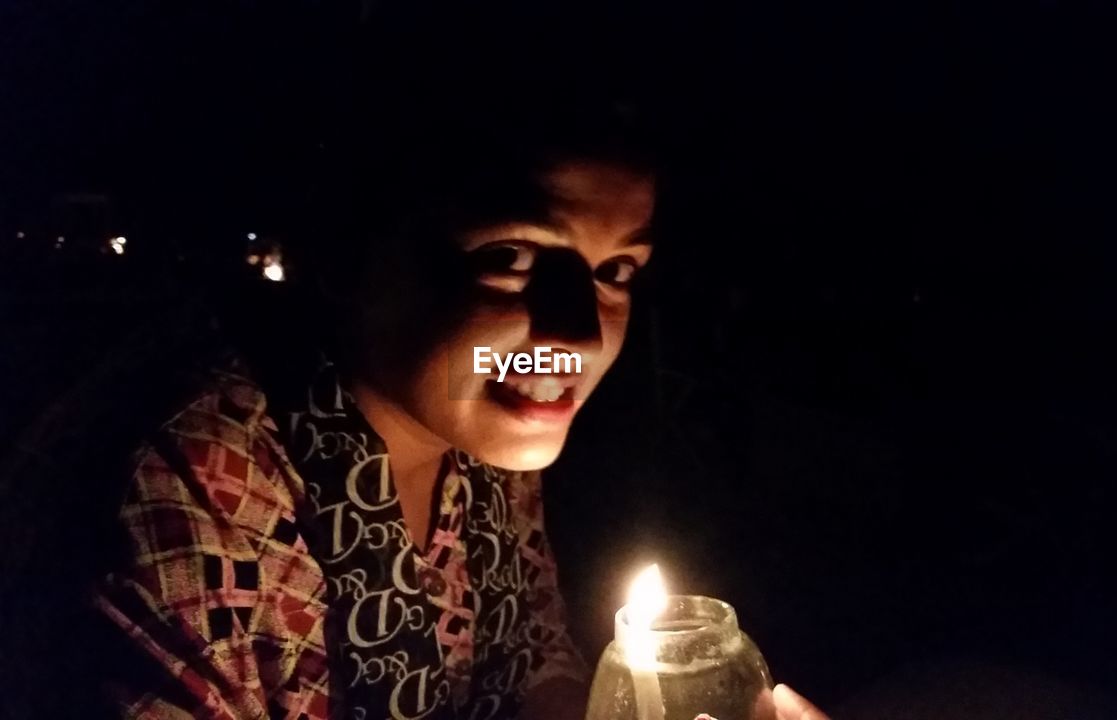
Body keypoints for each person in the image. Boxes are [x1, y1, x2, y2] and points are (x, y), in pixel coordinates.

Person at [73, 20, 832, 720]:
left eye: (616, 271)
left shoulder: (484, 448)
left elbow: (534, 663)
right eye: (509, 257)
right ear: (345, 255)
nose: (577, 329)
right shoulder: (193, 481)